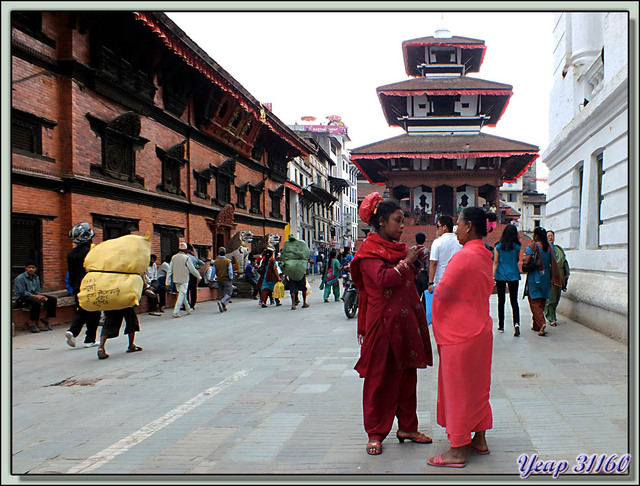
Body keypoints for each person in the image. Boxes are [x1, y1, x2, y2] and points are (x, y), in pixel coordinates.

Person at [351, 193, 433, 456]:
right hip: (382, 325)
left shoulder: (397, 250)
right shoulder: (368, 253)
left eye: (402, 221)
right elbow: (384, 280)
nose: (401, 226)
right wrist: (407, 261)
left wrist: (415, 262)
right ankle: (375, 432)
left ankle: (408, 426)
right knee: (379, 379)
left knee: (407, 376)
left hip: (404, 321)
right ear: (382, 221)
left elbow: (405, 277)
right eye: (397, 221)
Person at [427, 206, 496, 468]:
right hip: (481, 330)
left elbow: (443, 292)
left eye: (458, 223)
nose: (456, 228)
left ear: (469, 226)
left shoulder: (463, 256)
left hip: (461, 335)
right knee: (479, 387)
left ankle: (457, 450)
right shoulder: (484, 255)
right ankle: (479, 440)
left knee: (457, 390)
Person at [64, 222, 101, 346]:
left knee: (81, 310)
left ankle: (73, 332)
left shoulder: (70, 254)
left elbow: (71, 272)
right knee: (94, 312)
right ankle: (89, 339)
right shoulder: (90, 251)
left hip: (76, 287)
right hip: (90, 285)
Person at [522, 227, 563, 337]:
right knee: (542, 301)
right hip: (546, 277)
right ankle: (536, 325)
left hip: (535, 277)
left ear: (536, 236)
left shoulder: (533, 246)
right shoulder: (549, 247)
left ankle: (541, 324)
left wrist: (524, 257)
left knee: (534, 301)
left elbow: (526, 260)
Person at [493, 224, 522, 336]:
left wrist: (492, 275)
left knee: (501, 301)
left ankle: (501, 325)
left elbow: (495, 262)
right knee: (514, 301)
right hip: (513, 274)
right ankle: (516, 323)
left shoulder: (498, 246)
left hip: (501, 274)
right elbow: (516, 259)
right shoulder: (517, 246)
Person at [14, 260, 58, 333]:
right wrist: (37, 297)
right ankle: (32, 323)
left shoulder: (36, 278)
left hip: (34, 295)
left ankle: (46, 320)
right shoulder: (20, 278)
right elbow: (22, 292)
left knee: (52, 300)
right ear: (26, 268)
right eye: (29, 267)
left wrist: (41, 297)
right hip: (22, 298)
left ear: (35, 269)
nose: (31, 269)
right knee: (36, 302)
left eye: (33, 267)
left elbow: (37, 290)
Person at [427, 215, 462, 295]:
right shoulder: (459, 241)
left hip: (440, 281)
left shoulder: (437, 242)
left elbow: (433, 263)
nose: (437, 229)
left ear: (444, 227)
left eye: (438, 226)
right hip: (457, 281)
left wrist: (430, 282)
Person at [167, 242, 202, 318]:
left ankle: (188, 309)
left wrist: (168, 282)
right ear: (186, 249)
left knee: (183, 294)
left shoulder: (174, 257)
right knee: (181, 295)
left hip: (176, 279)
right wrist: (199, 276)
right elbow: (192, 269)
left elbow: (170, 270)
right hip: (184, 279)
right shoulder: (186, 258)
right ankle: (176, 311)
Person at [544, 230, 571, 327]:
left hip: (560, 276)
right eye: (548, 236)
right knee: (551, 297)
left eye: (551, 236)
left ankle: (550, 313)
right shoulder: (545, 249)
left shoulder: (559, 249)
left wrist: (567, 273)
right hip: (550, 276)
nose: (550, 238)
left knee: (557, 297)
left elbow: (564, 262)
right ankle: (551, 318)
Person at [280, 234, 311, 310]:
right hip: (300, 269)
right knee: (303, 288)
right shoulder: (300, 245)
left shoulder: (286, 245)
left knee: (293, 289)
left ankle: (293, 304)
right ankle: (304, 303)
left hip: (291, 270)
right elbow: (306, 254)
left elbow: (283, 256)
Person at [211, 247, 234, 312]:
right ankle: (222, 302)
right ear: (225, 252)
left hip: (219, 279)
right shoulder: (228, 261)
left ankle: (223, 306)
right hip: (226, 279)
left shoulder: (216, 262)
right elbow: (230, 271)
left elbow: (213, 271)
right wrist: (231, 278)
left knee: (222, 293)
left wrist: (211, 279)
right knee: (228, 293)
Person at [185, 244, 205, 310]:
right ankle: (192, 304)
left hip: (186, 274)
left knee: (186, 290)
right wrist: (196, 268)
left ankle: (186, 304)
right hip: (193, 275)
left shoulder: (185, 257)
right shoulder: (193, 257)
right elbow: (202, 263)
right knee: (193, 290)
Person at [414, 232, 430, 298]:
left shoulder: (413, 250)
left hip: (415, 274)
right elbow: (428, 264)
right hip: (424, 274)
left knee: (416, 295)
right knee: (425, 295)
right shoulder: (426, 251)